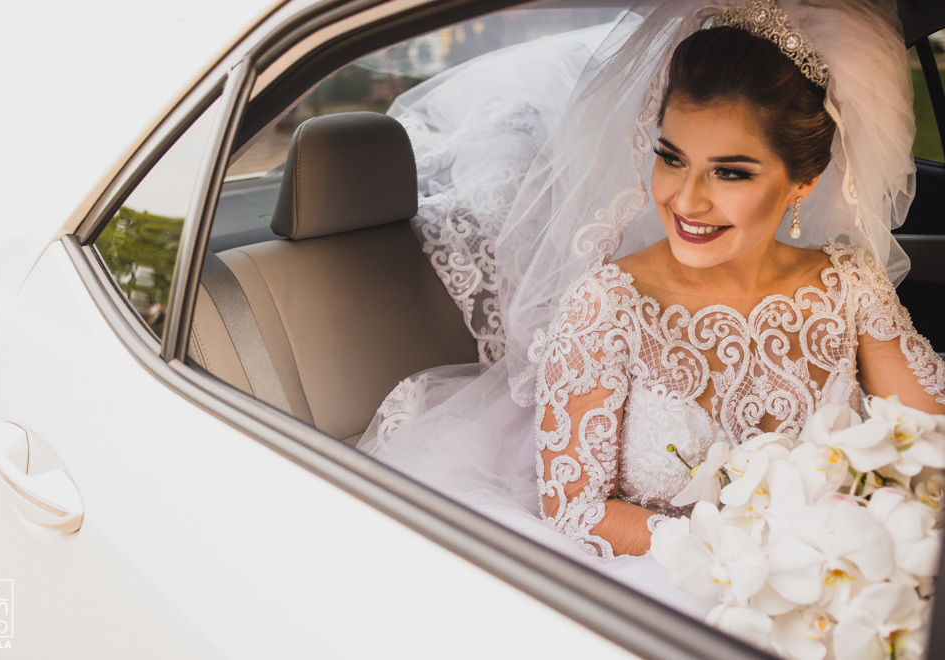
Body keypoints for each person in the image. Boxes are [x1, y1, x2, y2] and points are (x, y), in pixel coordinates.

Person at [358, 0, 944, 617]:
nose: (684, 199)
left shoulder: (849, 284)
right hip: (663, 599)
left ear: (803, 181)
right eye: (671, 158)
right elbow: (578, 512)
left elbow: (926, 443)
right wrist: (760, 555)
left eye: (730, 173)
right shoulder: (608, 304)